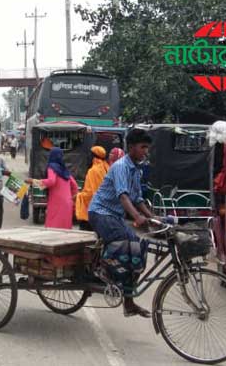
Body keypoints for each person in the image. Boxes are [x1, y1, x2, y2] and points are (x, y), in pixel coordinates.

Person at [88, 129, 154, 318]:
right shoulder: (121, 167)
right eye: (143, 147)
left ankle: (129, 303)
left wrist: (153, 218)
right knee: (125, 240)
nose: (145, 152)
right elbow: (124, 196)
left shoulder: (136, 170)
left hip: (114, 216)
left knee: (139, 250)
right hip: (100, 212)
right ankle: (103, 268)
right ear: (131, 147)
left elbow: (138, 199)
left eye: (147, 148)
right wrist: (136, 217)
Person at [25, 147, 79, 229]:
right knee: (65, 230)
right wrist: (72, 198)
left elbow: (51, 181)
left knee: (53, 229)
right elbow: (74, 185)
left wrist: (33, 181)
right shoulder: (64, 170)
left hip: (57, 203)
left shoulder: (52, 167)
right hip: (68, 203)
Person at [75, 146, 110, 231]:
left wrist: (79, 196)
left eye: (90, 155)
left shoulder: (93, 171)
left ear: (94, 156)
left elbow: (91, 194)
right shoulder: (106, 168)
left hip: (91, 212)